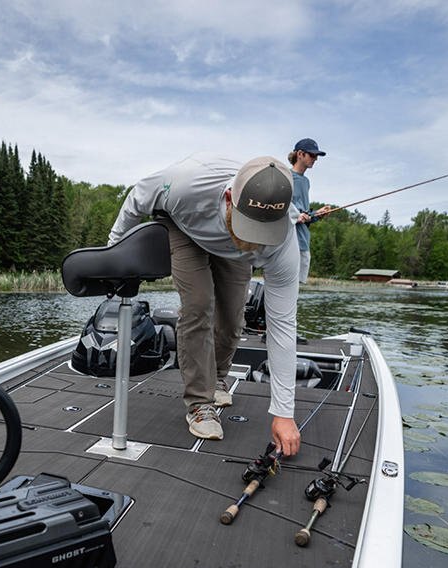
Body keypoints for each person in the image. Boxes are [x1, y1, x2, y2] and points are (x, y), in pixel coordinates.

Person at [107, 154, 302, 457]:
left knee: (234, 315)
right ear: (229, 198)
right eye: (248, 226)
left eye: (263, 232)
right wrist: (113, 253)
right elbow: (136, 200)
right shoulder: (186, 183)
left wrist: (284, 413)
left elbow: (283, 326)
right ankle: (200, 403)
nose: (255, 241)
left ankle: (218, 378)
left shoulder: (284, 240)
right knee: (199, 305)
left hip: (230, 251)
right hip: (183, 226)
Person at [288, 138, 332, 283]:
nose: (316, 159)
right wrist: (297, 216)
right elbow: (280, 209)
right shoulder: (284, 176)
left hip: (303, 242)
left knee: (296, 289)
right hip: (288, 242)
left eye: (316, 156)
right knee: (286, 285)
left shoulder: (306, 182)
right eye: (312, 155)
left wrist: (317, 214)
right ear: (300, 154)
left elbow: (304, 213)